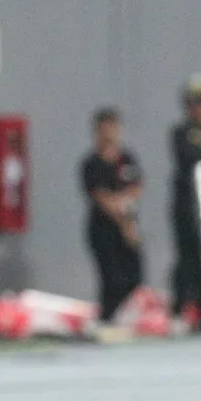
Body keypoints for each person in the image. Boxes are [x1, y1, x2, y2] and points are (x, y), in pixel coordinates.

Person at [80, 107, 143, 322]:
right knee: (111, 277)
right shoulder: (91, 163)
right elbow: (100, 197)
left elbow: (136, 187)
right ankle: (106, 318)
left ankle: (122, 316)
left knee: (134, 275)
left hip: (128, 225)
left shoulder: (127, 158)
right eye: (104, 129)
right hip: (103, 228)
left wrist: (128, 221)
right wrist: (120, 215)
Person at [170, 75, 201, 328]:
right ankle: (191, 311)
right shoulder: (182, 132)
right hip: (191, 209)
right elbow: (190, 157)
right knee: (190, 261)